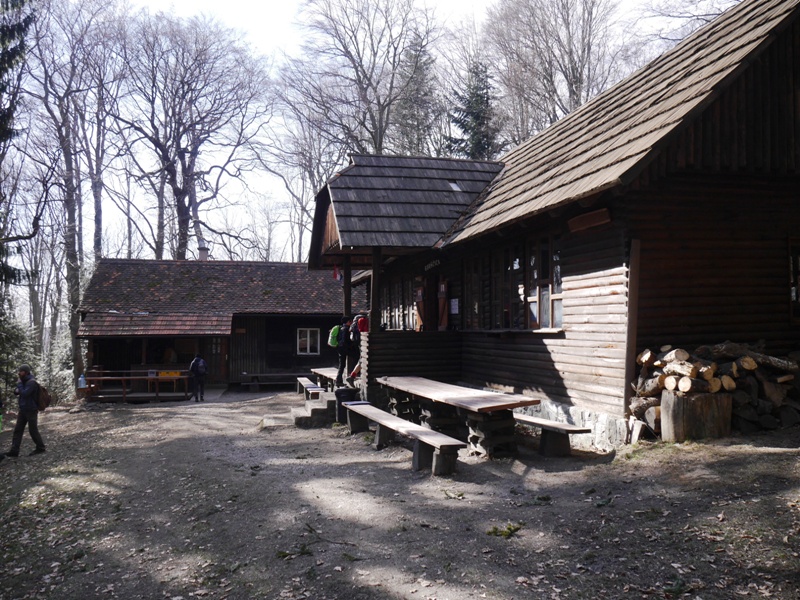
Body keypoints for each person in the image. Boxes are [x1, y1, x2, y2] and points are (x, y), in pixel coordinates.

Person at [4, 364, 46, 459]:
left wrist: (19, 386)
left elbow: (25, 393)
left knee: (33, 430)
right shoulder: (23, 381)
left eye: (21, 371)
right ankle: (14, 451)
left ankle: (40, 447)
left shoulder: (32, 382)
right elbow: (17, 392)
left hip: (31, 410)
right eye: (19, 371)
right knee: (18, 430)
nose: (19, 373)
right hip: (23, 409)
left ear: (26, 372)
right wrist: (18, 389)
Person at [335, 316, 358, 387]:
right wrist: (352, 345)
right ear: (348, 322)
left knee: (341, 365)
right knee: (357, 358)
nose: (351, 322)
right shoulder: (347, 329)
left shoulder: (341, 328)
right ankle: (353, 375)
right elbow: (346, 340)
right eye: (350, 321)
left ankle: (338, 380)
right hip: (346, 348)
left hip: (340, 348)